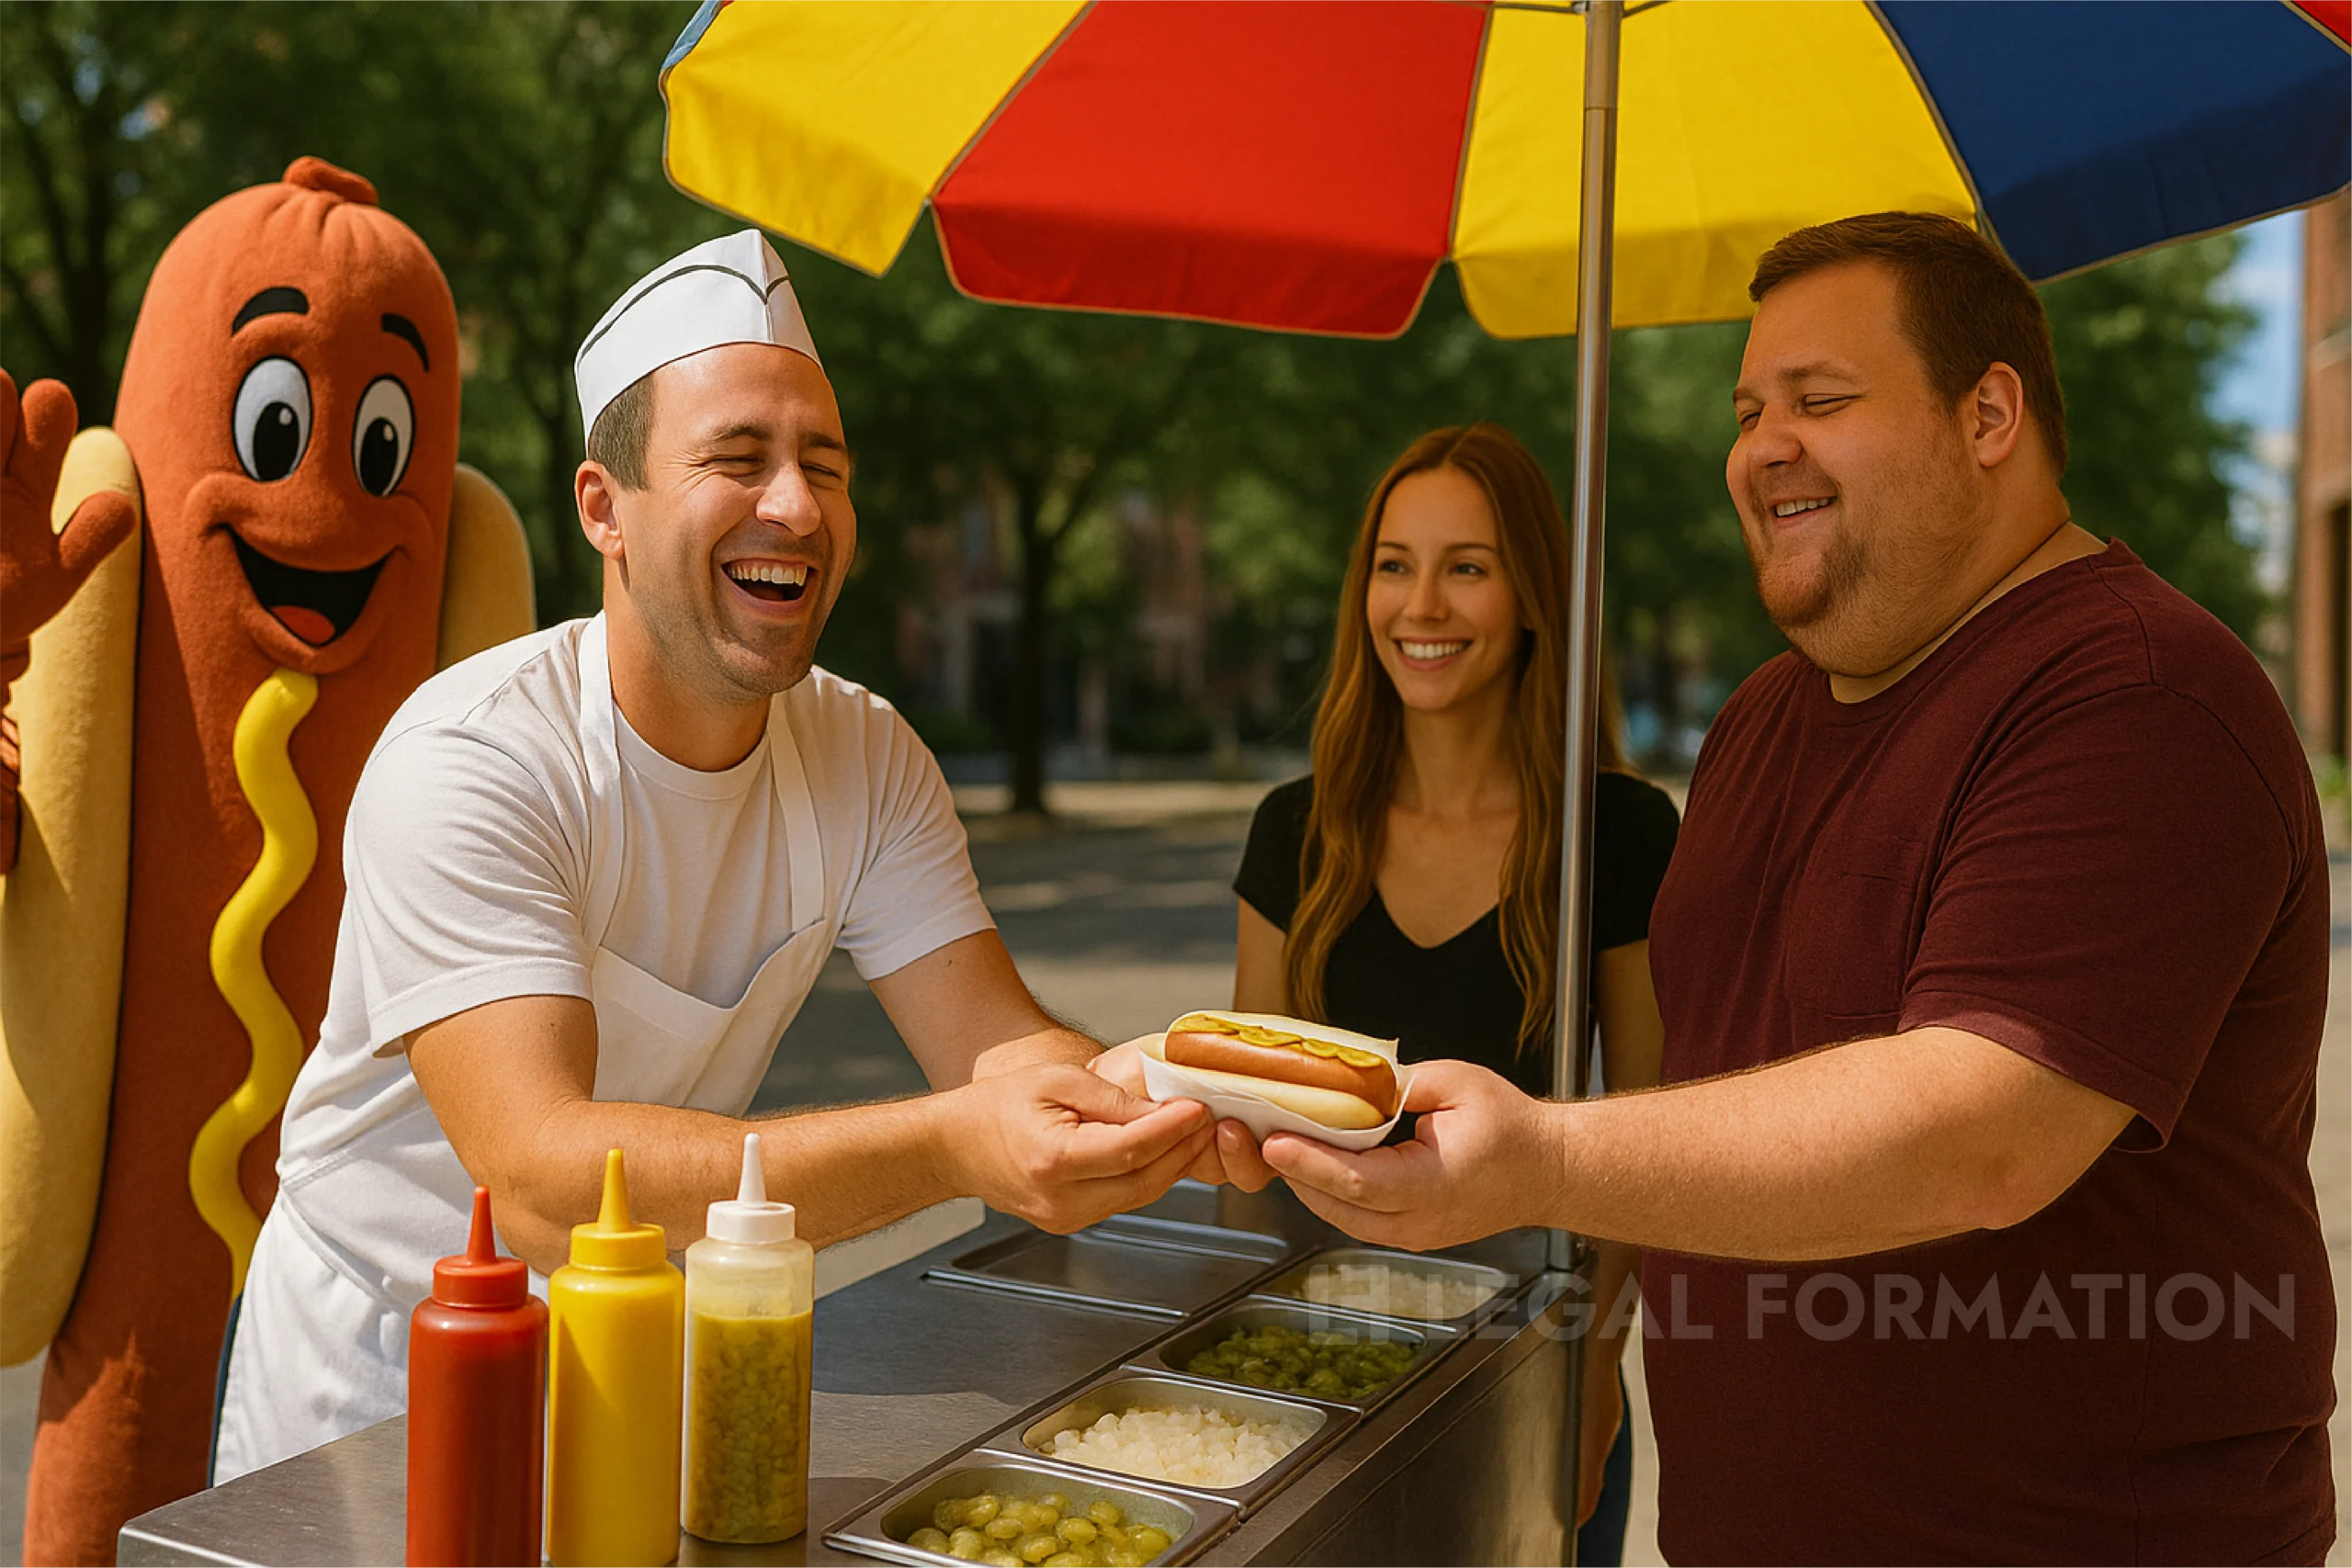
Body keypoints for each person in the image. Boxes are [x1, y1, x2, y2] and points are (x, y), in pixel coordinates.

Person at [1243, 213, 2335, 1563]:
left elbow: (1983, 1130)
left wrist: (1541, 1158)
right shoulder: (1764, 715)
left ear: (1988, 412)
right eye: (1750, 407)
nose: (1761, 446)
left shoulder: (2135, 693)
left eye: (1820, 400)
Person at [213, 231, 1213, 1480]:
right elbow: (538, 1177)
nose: (795, 504)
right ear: (603, 509)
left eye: (824, 466)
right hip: (368, 1387)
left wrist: (1181, 1097)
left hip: (632, 1360)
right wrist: (958, 1143)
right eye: (738, 459)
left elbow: (997, 1050)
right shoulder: (474, 759)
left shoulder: (867, 756)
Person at [1226, 423, 1675, 1560]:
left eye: (1466, 566)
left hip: (1528, 1359)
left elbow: (1649, 1140)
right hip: (1317, 1352)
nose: (1420, 605)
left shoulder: (1615, 834)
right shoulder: (1297, 829)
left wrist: (1593, 1363)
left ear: (1531, 594)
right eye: (1394, 564)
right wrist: (1238, 1345)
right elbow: (1245, 1131)